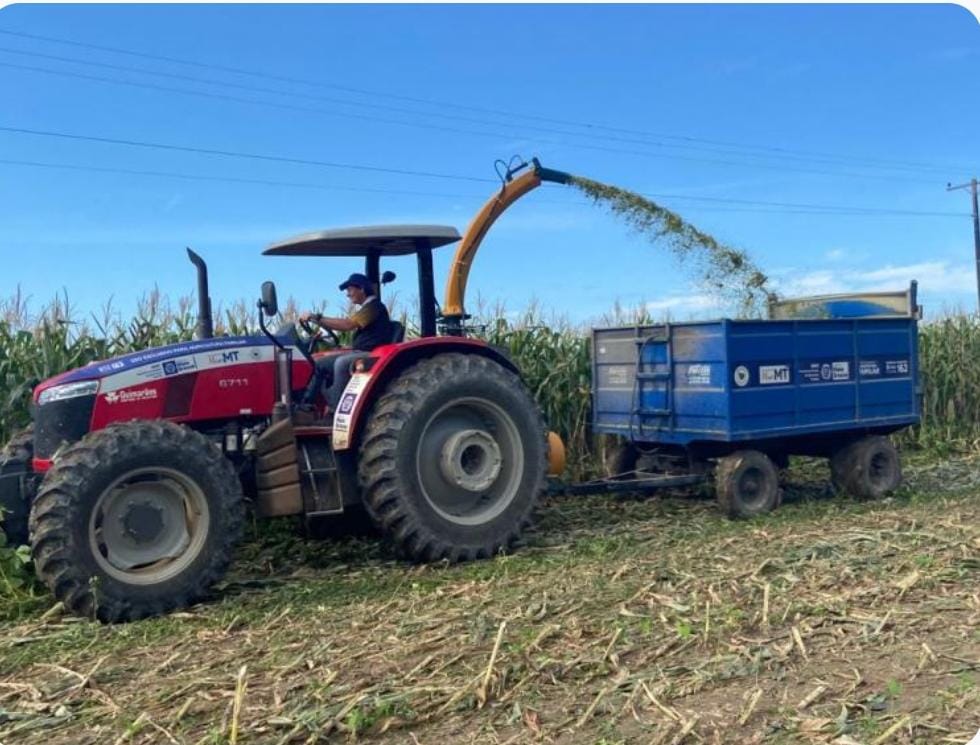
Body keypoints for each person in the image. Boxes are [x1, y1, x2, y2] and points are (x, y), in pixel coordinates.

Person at [297, 272, 394, 411]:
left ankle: (335, 411)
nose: (347, 294)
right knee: (320, 362)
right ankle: (306, 405)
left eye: (349, 289)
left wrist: (316, 317)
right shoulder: (368, 308)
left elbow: (347, 325)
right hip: (363, 350)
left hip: (372, 354)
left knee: (341, 363)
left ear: (361, 288)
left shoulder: (374, 307)